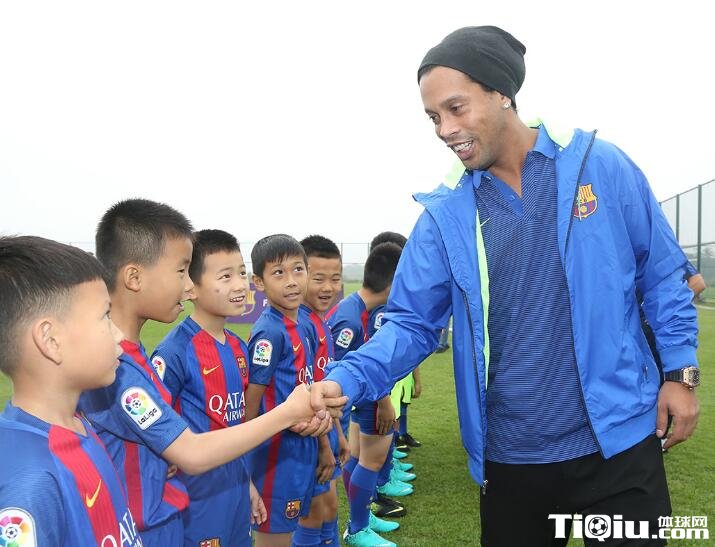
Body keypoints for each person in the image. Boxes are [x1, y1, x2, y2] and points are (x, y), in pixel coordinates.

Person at [310, 26, 700, 546]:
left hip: (621, 443)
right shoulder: (445, 214)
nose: (445, 129)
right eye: (433, 117)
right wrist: (347, 378)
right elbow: (410, 324)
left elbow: (663, 276)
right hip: (513, 459)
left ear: (502, 93)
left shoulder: (599, 165)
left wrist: (680, 374)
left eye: (456, 108)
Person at [79, 200, 338, 546]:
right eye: (181, 271)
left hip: (211, 500)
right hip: (161, 521)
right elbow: (190, 452)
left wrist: (244, 480)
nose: (189, 287)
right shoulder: (119, 368)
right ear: (134, 277)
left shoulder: (138, 356)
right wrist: (288, 412)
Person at [0, 236, 142, 546]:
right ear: (51, 340)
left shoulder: (78, 423)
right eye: (105, 316)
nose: (119, 334)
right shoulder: (30, 484)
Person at [150, 229, 261, 546]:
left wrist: (247, 483)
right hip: (196, 498)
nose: (239, 285)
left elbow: (233, 428)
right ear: (192, 286)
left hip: (236, 491)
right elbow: (153, 432)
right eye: (225, 276)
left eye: (242, 273)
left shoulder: (238, 347)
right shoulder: (174, 352)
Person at [244, 234, 327, 547]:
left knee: (290, 531)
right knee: (273, 537)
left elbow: (308, 387)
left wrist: (323, 444)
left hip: (300, 449)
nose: (291, 281)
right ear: (259, 282)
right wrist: (244, 468)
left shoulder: (304, 324)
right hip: (273, 457)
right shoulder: (269, 332)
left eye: (298, 270)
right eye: (278, 273)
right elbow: (251, 405)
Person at [327, 242, 405, 547]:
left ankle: (361, 517)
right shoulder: (351, 320)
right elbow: (341, 368)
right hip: (365, 400)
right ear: (393, 283)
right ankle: (358, 527)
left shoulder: (357, 308)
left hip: (363, 399)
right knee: (371, 461)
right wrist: (384, 400)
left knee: (360, 457)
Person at [295, 234, 350, 546]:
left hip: (326, 432)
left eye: (335, 279)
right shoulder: (300, 326)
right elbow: (307, 399)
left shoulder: (320, 322)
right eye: (318, 279)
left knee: (329, 507)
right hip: (310, 440)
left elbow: (325, 391)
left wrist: (338, 434)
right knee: (313, 513)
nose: (328, 287)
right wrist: (324, 447)